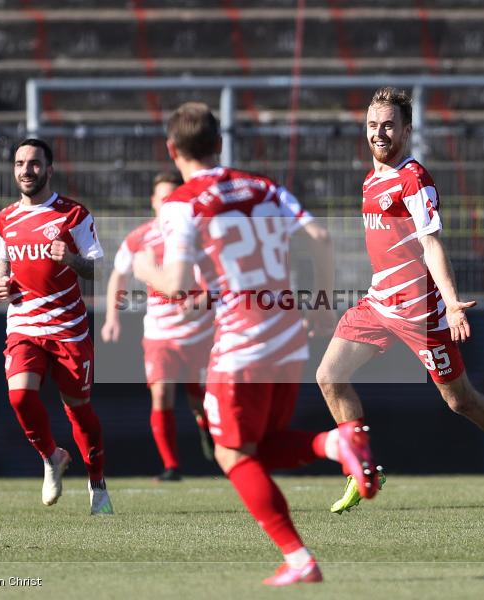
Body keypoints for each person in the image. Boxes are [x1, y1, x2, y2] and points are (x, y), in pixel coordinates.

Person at [132, 102, 362, 586]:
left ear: (172, 150)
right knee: (260, 446)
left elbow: (174, 282)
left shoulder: (182, 202)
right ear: (219, 143)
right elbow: (319, 236)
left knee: (231, 455)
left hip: (243, 340)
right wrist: (321, 302)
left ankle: (300, 557)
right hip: (288, 333)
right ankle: (332, 443)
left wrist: (141, 268)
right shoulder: (263, 186)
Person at [317, 87, 484, 515]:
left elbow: (431, 243)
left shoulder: (413, 178)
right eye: (371, 126)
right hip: (378, 303)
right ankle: (362, 470)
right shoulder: (371, 178)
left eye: (387, 125)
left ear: (406, 129)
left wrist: (452, 302)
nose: (378, 134)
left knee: (460, 401)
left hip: (420, 312)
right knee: (329, 376)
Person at [0, 138, 113, 516]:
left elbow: (98, 269)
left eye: (34, 163)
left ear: (49, 169)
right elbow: (5, 263)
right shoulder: (6, 218)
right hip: (24, 324)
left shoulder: (72, 214)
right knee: (20, 397)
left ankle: (98, 484)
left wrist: (73, 259)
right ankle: (51, 456)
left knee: (79, 411)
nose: (26, 170)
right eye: (19, 164)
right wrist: (1, 282)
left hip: (68, 329)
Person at [101, 170, 215, 481]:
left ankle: (208, 431)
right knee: (161, 394)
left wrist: (202, 302)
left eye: (173, 198)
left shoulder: (198, 236)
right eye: (162, 197)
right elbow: (118, 276)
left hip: (199, 333)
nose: (167, 204)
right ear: (153, 202)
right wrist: (112, 317)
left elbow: (218, 281)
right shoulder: (139, 238)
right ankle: (171, 466)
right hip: (159, 335)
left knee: (200, 401)